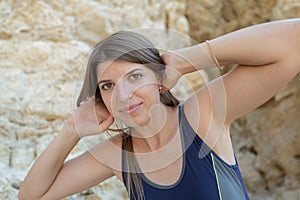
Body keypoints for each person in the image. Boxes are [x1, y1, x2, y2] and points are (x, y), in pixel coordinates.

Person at [19, 19, 300, 200]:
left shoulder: (201, 116)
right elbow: (29, 198)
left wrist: (184, 61)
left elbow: (294, 40)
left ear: (158, 76)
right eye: (107, 86)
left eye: (135, 76)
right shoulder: (117, 155)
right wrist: (72, 130)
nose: (123, 95)